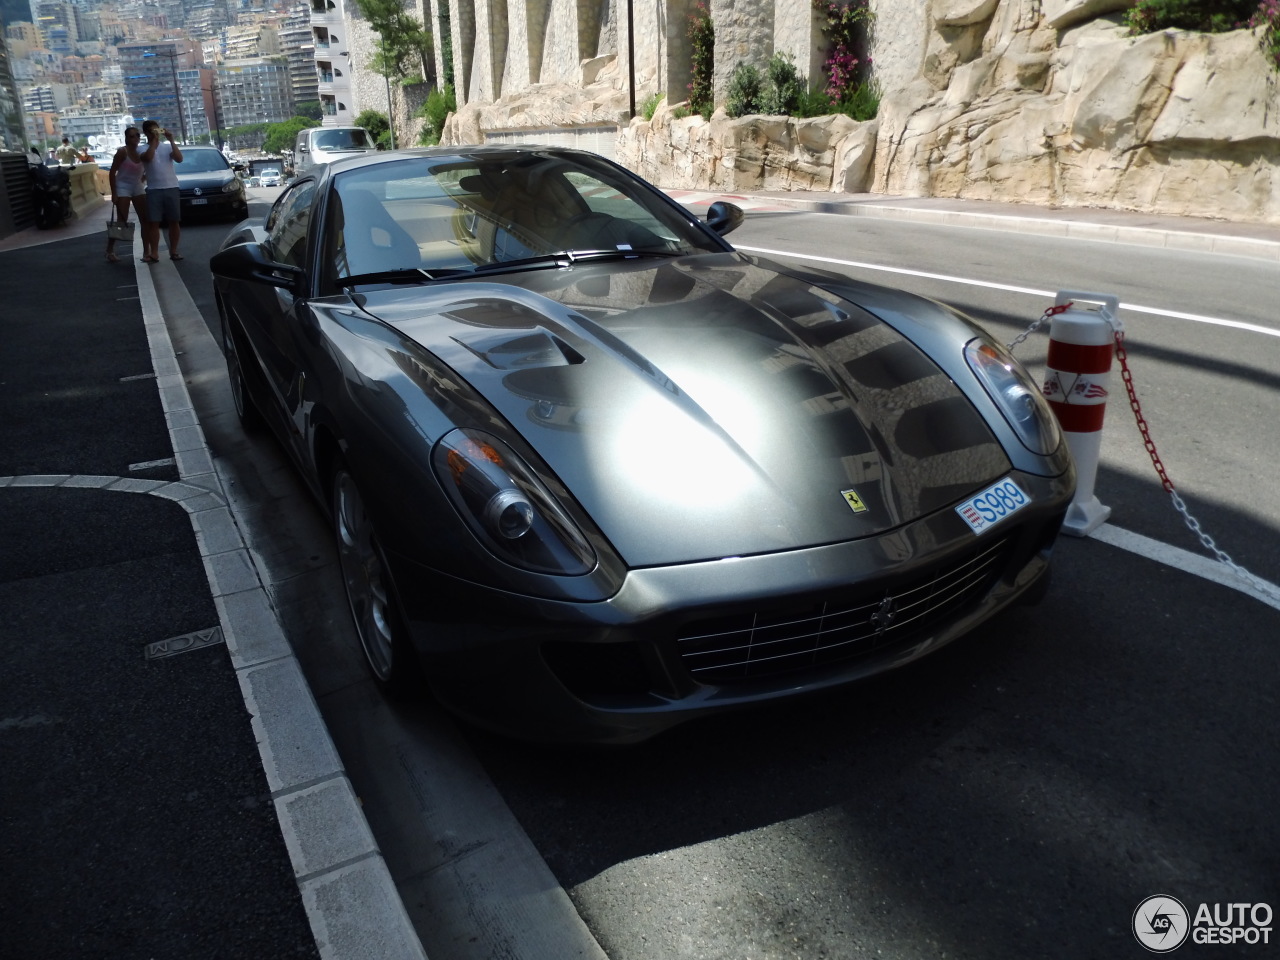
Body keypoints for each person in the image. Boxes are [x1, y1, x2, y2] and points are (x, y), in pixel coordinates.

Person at [134, 119, 183, 263]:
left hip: (171, 187)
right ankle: (154, 253)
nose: (155, 133)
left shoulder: (167, 147)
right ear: (146, 133)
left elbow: (179, 159)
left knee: (174, 221)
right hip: (154, 189)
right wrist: (154, 143)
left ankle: (174, 251)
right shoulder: (142, 148)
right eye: (151, 131)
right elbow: (148, 158)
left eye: (157, 130)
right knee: (153, 223)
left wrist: (171, 140)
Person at [106, 127, 148, 264]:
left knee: (145, 219)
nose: (135, 138)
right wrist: (114, 193)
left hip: (137, 186)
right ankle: (110, 249)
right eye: (132, 136)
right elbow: (112, 172)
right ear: (126, 138)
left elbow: (148, 167)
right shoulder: (122, 152)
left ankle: (147, 251)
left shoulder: (142, 151)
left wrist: (142, 179)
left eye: (137, 135)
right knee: (120, 220)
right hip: (122, 186)